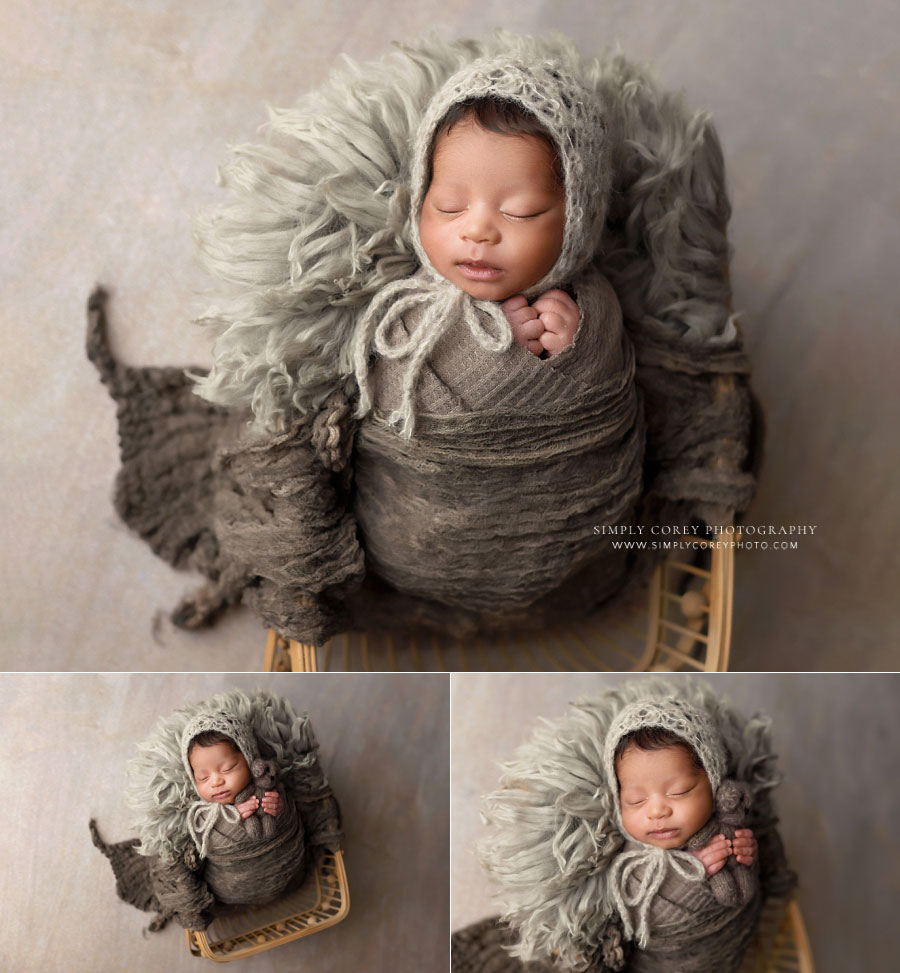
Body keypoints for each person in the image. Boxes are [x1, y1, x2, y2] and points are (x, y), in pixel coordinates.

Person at [613, 725, 757, 880]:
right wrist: (691, 876)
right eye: (636, 800)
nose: (657, 811)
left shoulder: (728, 826)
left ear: (713, 784)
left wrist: (746, 859)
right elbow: (630, 902)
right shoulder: (628, 860)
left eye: (679, 792)